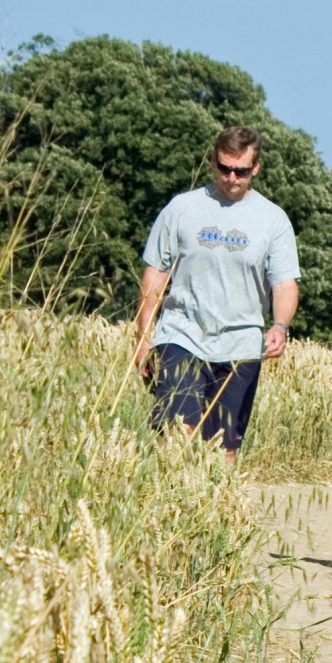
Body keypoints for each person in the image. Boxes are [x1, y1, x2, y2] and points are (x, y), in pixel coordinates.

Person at [134, 124, 299, 460]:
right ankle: (168, 508)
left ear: (256, 168)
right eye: (225, 168)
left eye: (241, 171)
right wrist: (143, 336)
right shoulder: (181, 208)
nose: (232, 178)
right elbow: (156, 273)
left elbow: (284, 284)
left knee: (221, 451)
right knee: (178, 431)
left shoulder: (273, 220)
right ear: (213, 162)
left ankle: (212, 510)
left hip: (240, 344)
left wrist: (280, 325)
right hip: (181, 334)